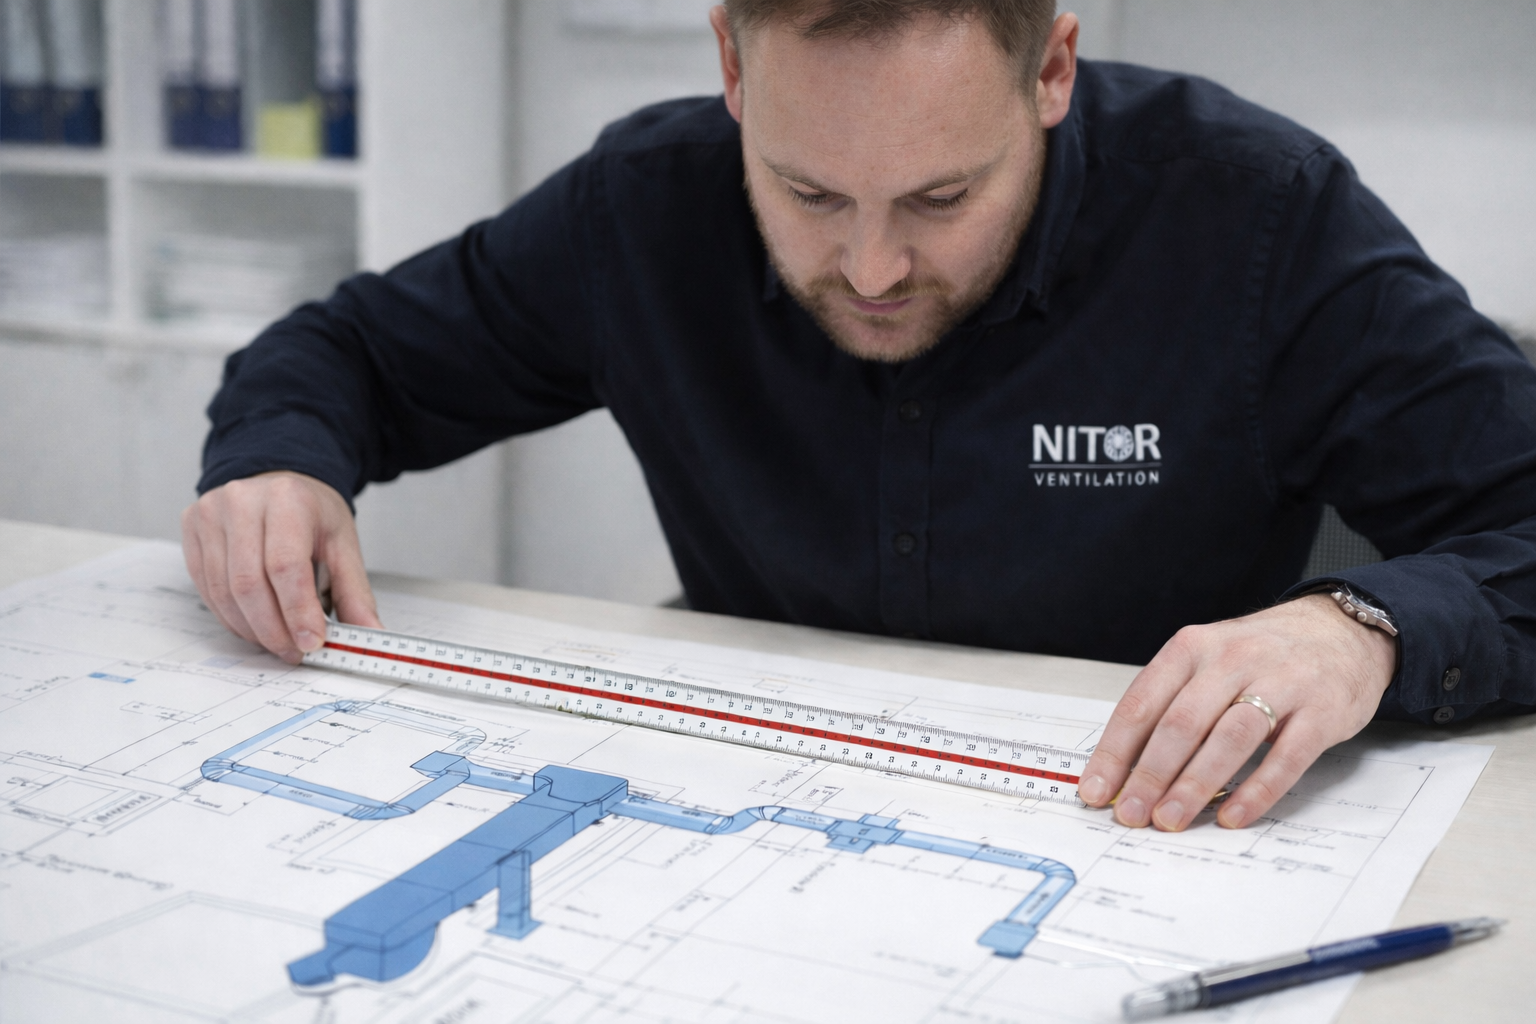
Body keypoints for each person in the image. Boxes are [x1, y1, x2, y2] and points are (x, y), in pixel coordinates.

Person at [182, 1, 1536, 836]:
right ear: (728, 58)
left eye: (943, 200)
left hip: (1141, 837)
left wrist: (1359, 627)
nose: (874, 269)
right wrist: (280, 460)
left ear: (1052, 70)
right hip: (740, 824)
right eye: (810, 195)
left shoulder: (1258, 217)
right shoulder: (644, 205)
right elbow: (344, 351)